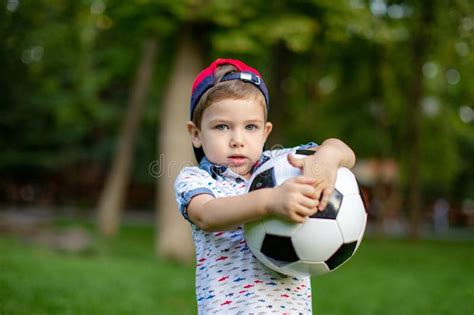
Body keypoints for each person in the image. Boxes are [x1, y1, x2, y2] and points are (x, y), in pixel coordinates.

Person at [175, 58, 356, 314]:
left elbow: (343, 150)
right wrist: (270, 202)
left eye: (250, 127)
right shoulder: (196, 179)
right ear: (196, 134)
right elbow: (206, 215)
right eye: (222, 127)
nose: (237, 140)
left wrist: (328, 157)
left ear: (265, 132)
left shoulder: (281, 166)